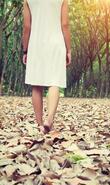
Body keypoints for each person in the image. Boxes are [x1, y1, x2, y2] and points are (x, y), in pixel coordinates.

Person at [22, 0, 71, 134]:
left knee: (36, 84)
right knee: (54, 81)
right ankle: (49, 120)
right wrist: (68, 50)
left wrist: (25, 50)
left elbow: (27, 27)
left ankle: (39, 125)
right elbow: (65, 24)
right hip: (56, 43)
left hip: (36, 44)